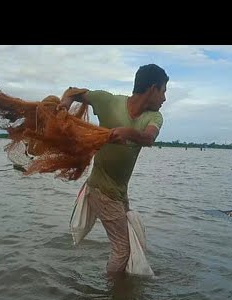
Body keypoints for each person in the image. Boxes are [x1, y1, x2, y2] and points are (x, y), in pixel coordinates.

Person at [58, 64, 169, 277]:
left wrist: (127, 133)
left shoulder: (154, 117)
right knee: (123, 248)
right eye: (163, 91)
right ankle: (115, 296)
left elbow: (149, 138)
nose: (164, 98)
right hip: (100, 189)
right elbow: (74, 92)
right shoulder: (108, 101)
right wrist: (64, 104)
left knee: (124, 245)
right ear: (153, 88)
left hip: (119, 193)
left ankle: (117, 289)